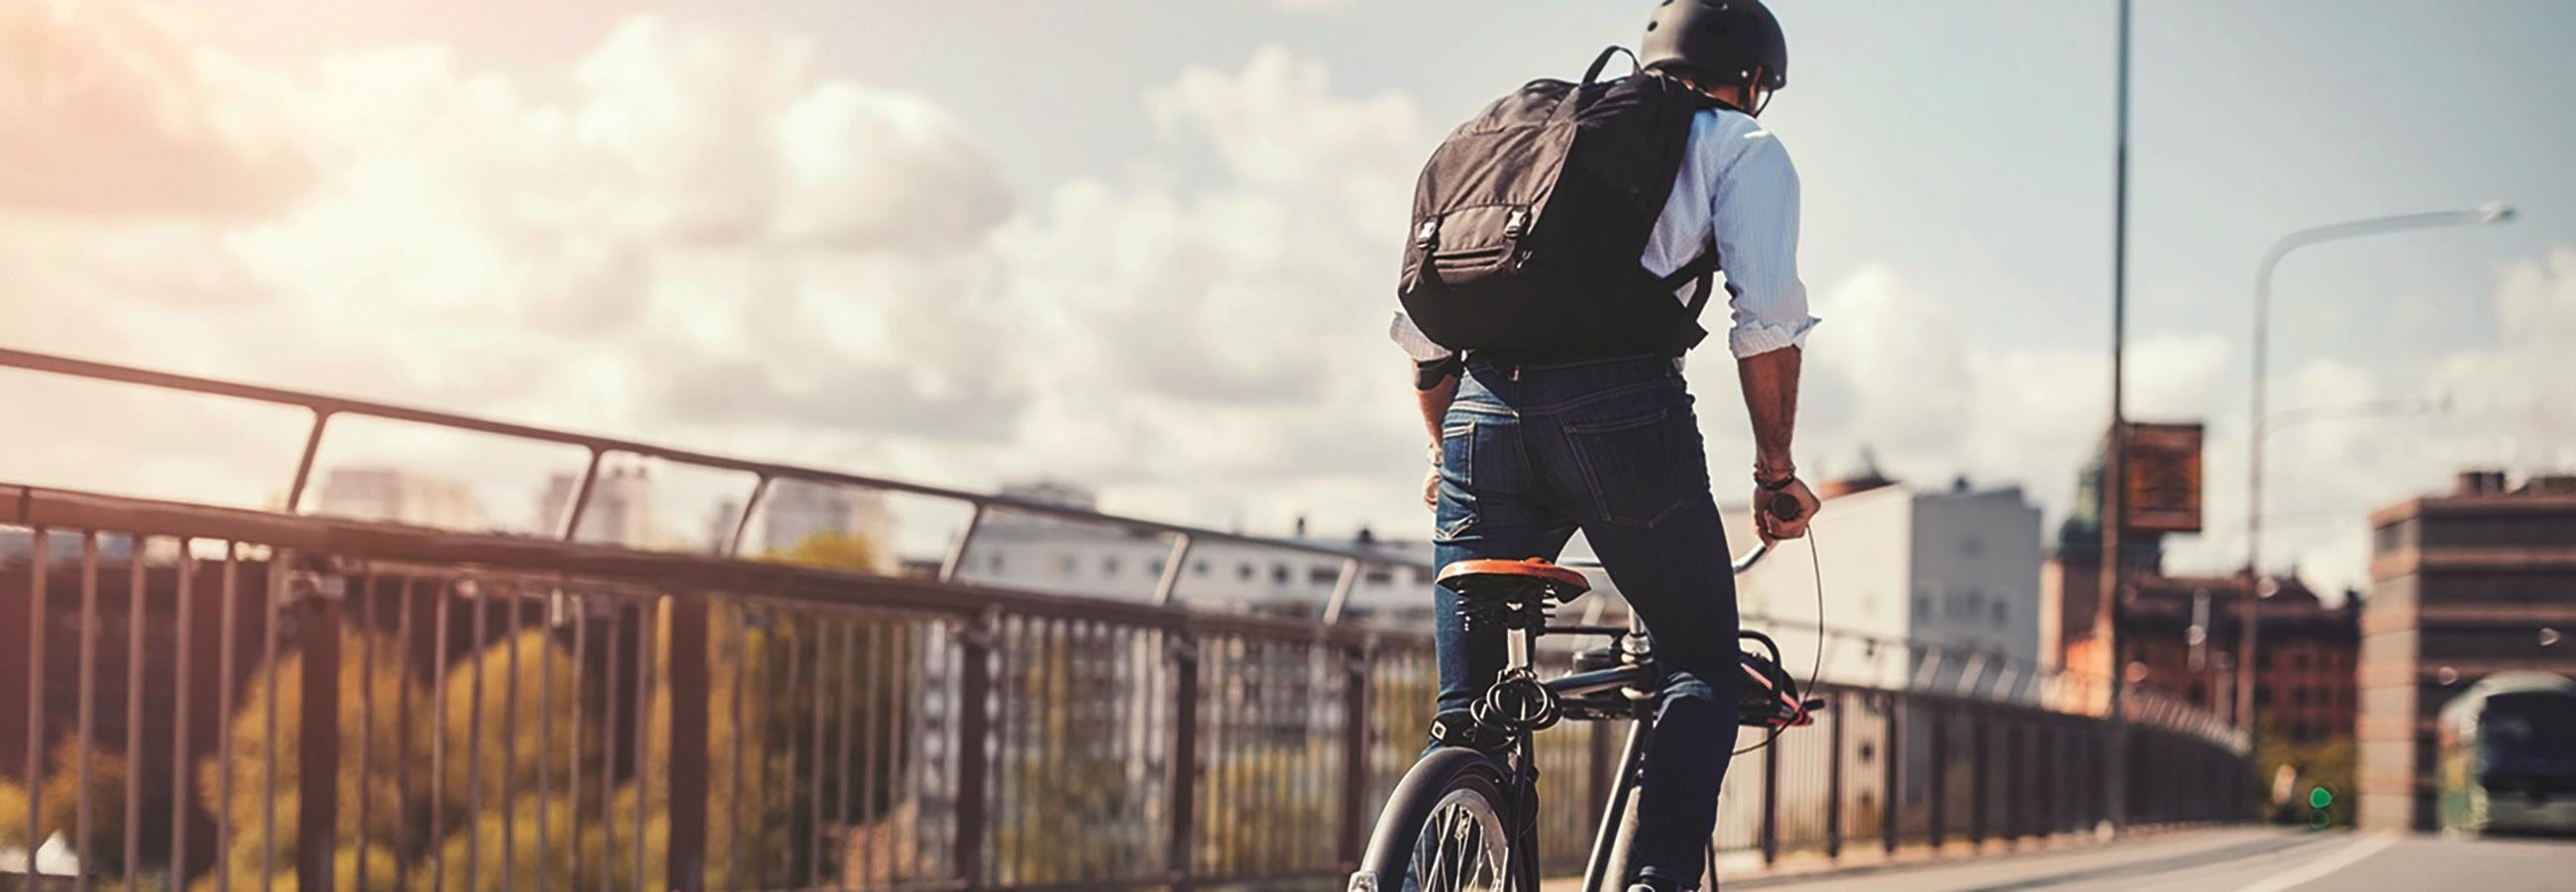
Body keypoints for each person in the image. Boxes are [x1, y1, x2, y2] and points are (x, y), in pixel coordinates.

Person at [1388, 2, 1819, 889]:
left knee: (1469, 715)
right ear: (1749, 81)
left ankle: (1443, 828)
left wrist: (1445, 455)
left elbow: (1427, 336)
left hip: (1478, 412)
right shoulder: (1738, 145)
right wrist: (1774, 475)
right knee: (1697, 660)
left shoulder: (1519, 137)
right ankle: (1656, 878)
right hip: (1620, 407)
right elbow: (1766, 322)